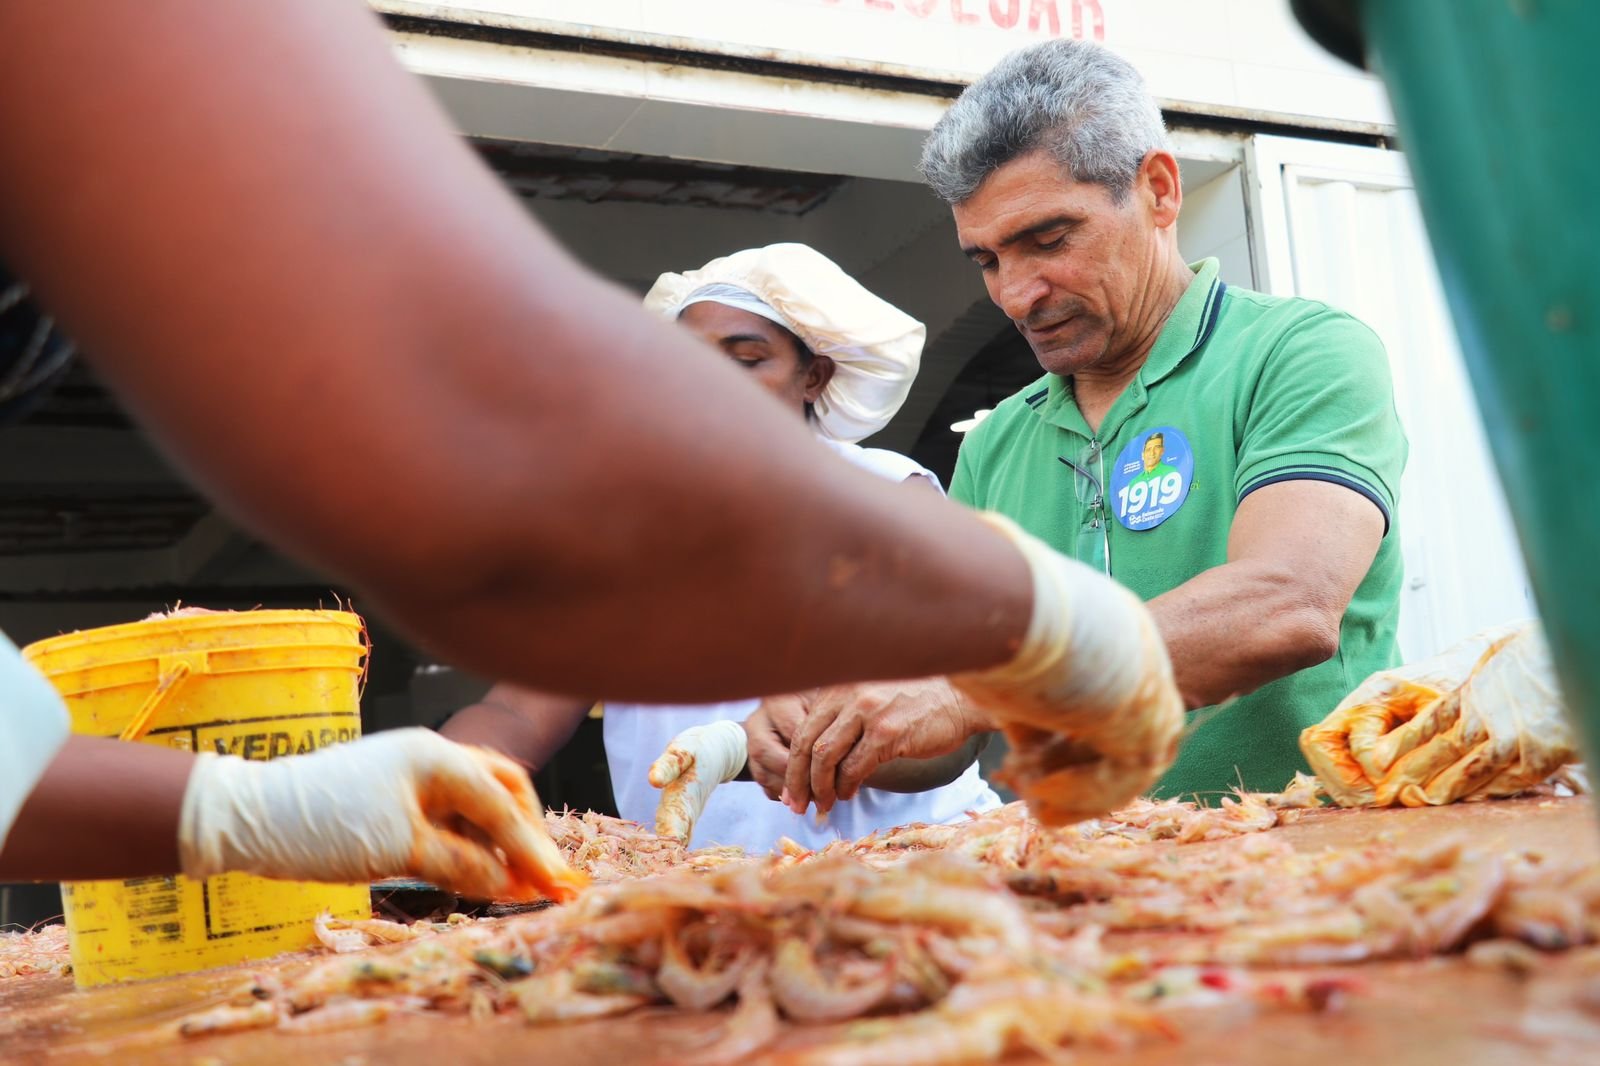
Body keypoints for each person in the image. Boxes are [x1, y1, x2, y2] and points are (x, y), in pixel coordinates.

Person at [0, 4, 1183, 886]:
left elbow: (508, 511)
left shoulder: (882, 494)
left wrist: (227, 807)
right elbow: (504, 488)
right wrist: (1046, 625)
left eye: (748, 360)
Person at [909, 38, 1410, 798]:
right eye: (986, 260)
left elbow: (1285, 604)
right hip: (1064, 897)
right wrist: (822, 726)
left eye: (1048, 239)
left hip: (1305, 878)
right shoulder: (996, 442)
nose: (1015, 295)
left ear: (1159, 191)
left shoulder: (1297, 351)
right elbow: (942, 739)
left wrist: (975, 693)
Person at [442, 244, 1003, 850]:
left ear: (813, 376)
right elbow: (519, 714)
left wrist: (803, 746)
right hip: (698, 890)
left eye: (747, 359)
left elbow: (952, 728)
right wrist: (428, 780)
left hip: (905, 873)